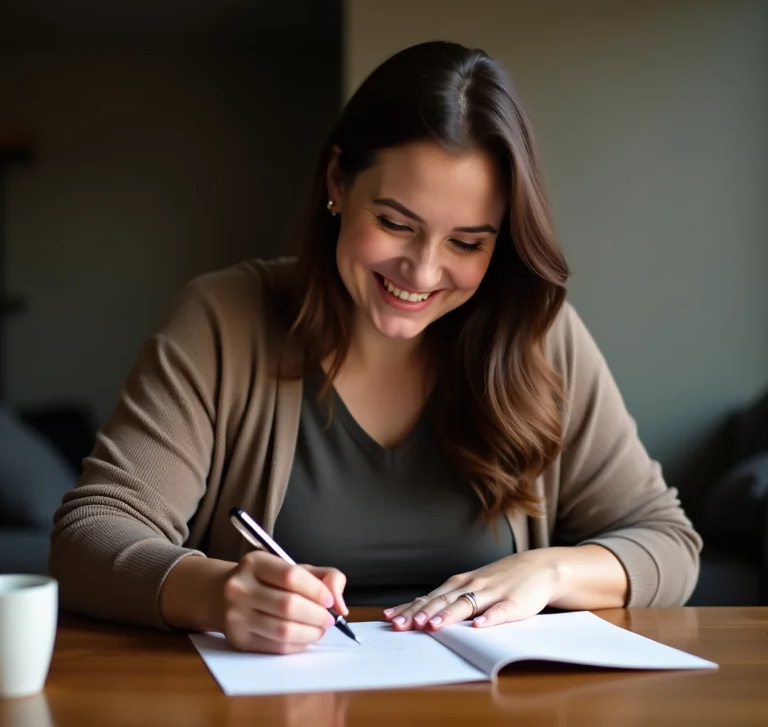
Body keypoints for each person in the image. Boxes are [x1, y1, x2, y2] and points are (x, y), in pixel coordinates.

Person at [50, 41, 701, 655]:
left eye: (467, 242)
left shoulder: (538, 338)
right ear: (338, 181)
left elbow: (668, 542)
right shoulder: (223, 319)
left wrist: (549, 571)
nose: (422, 272)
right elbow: (90, 535)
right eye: (395, 223)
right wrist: (216, 593)